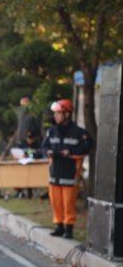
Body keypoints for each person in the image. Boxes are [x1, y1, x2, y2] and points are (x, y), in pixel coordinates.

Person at [41, 99, 92, 239]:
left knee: (69, 203)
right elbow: (44, 147)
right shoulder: (51, 132)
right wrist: (48, 152)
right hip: (54, 174)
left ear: (67, 114)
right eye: (55, 113)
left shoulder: (79, 133)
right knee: (56, 202)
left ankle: (68, 229)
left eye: (59, 113)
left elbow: (87, 148)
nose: (56, 116)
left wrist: (70, 152)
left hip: (70, 174)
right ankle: (59, 226)